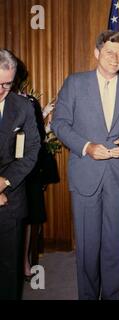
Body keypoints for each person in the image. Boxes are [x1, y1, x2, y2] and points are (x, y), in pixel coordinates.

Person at [51, 30, 119, 300]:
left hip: (117, 177)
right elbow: (59, 124)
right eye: (109, 52)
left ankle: (113, 296)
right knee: (87, 246)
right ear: (96, 53)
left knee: (115, 244)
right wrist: (87, 147)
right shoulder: (75, 83)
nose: (116, 58)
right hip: (85, 176)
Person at [0, 49, 40, 299]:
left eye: (7, 84)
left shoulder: (23, 107)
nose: (2, 90)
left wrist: (4, 182)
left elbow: (32, 149)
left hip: (10, 198)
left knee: (8, 270)